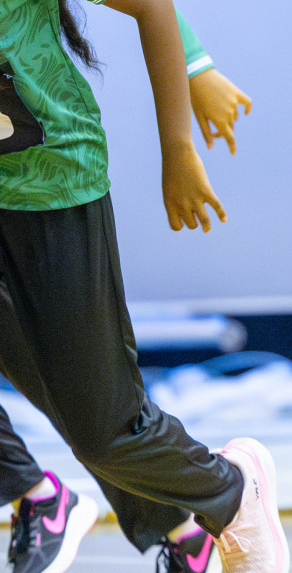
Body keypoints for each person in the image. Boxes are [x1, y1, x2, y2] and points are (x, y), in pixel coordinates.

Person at [0, 0, 287, 573]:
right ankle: (39, 496)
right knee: (78, 409)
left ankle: (231, 493)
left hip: (53, 192)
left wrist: (181, 136)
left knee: (104, 431)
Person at [5, 37, 251, 573]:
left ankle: (233, 494)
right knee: (68, 398)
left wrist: (195, 68)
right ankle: (179, 533)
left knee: (94, 415)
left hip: (50, 191)